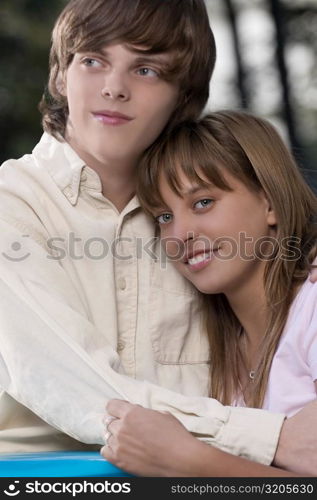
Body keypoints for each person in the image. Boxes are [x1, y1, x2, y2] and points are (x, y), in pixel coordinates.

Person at [0, 0, 317, 474]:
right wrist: (273, 438)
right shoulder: (13, 205)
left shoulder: (207, 232)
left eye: (146, 69)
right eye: (92, 60)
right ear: (62, 75)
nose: (113, 88)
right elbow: (74, 382)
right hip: (44, 480)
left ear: (182, 97)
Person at [101, 111, 317, 476]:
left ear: (269, 203)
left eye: (203, 202)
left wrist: (191, 461)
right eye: (164, 217)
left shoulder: (311, 305)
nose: (180, 233)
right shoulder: (214, 349)